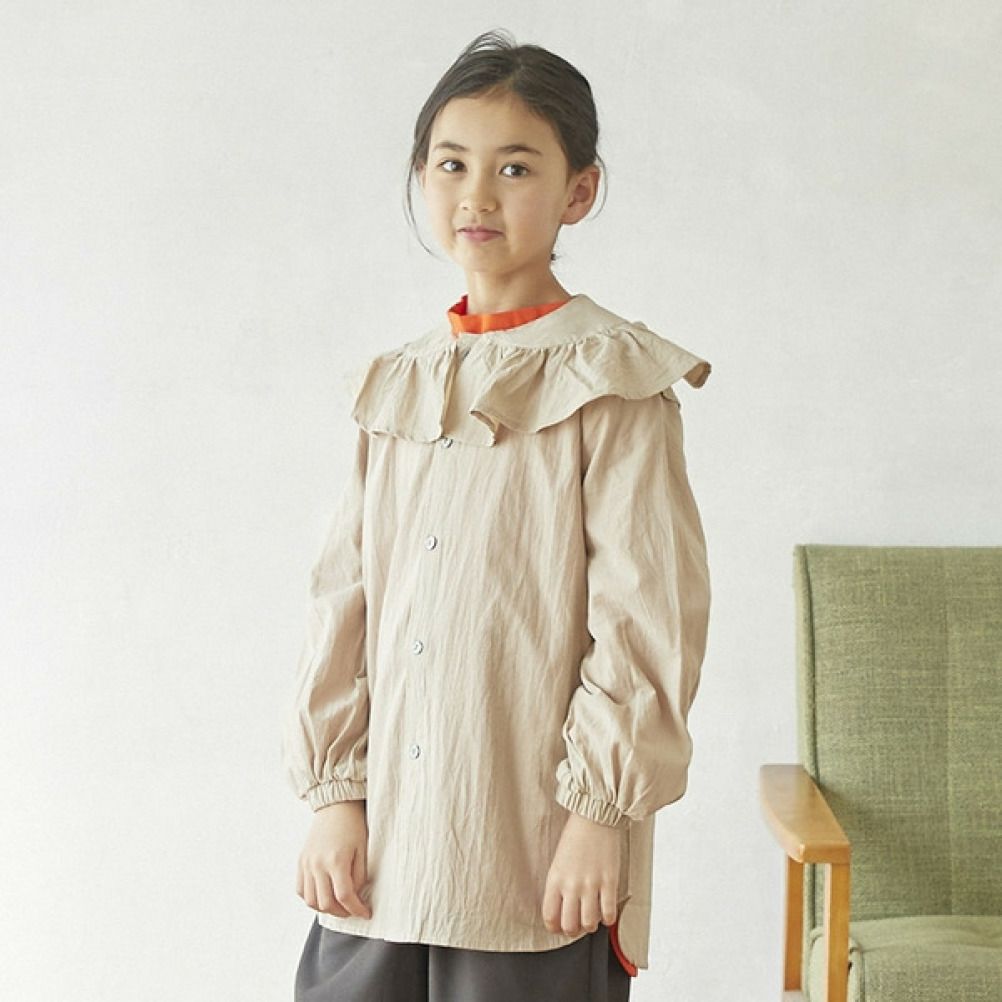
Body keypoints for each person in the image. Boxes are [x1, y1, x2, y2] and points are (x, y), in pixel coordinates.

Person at [282, 28, 712, 1002]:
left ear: (578, 192)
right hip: (380, 852)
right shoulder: (395, 386)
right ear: (421, 179)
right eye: (452, 164)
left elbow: (648, 618)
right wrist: (334, 795)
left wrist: (600, 815)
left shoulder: (614, 382)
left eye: (515, 167)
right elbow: (341, 602)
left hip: (532, 852)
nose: (477, 195)